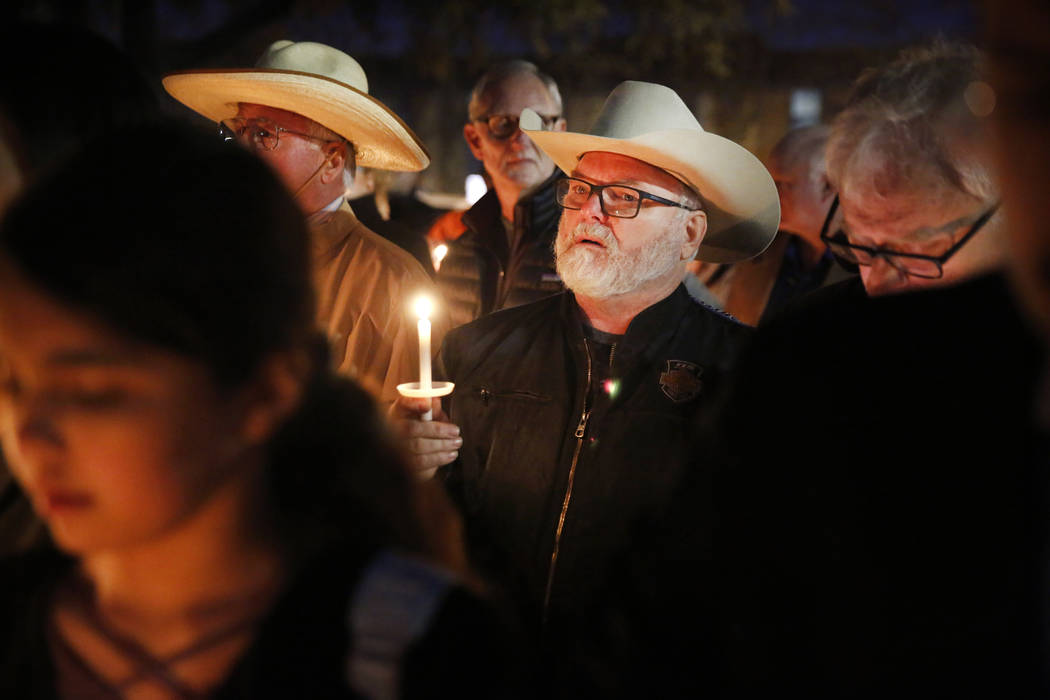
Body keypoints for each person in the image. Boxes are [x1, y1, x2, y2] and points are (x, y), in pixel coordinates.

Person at [0, 123, 519, 699]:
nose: (31, 437)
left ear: (263, 393)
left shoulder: (406, 652)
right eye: (11, 386)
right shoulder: (22, 628)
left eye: (94, 393)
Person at [396, 80, 779, 693]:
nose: (589, 212)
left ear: (690, 234)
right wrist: (411, 468)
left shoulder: (748, 375)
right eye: (579, 190)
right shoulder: (477, 351)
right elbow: (441, 531)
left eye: (624, 197)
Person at [694, 41, 1047, 697]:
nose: (879, 283)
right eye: (861, 246)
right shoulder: (805, 357)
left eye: (916, 252)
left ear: (1013, 212)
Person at [163, 40, 449, 404]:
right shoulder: (208, 256)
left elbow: (407, 444)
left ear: (331, 161)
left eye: (264, 134)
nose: (241, 149)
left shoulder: (390, 283)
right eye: (238, 131)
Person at [435, 60, 568, 328]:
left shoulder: (587, 245)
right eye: (503, 123)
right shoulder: (460, 256)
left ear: (560, 133)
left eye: (538, 123)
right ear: (474, 140)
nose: (521, 139)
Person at [690, 125, 852, 325]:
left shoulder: (865, 261)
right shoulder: (758, 247)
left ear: (828, 185)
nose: (770, 196)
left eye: (783, 184)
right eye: (770, 183)